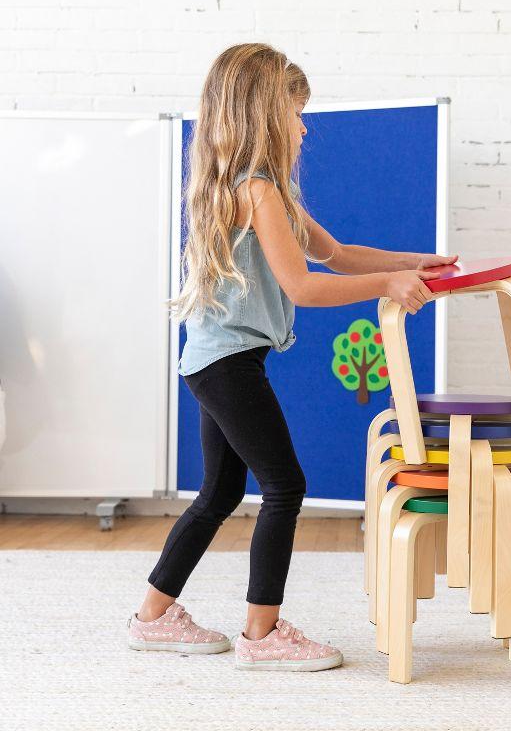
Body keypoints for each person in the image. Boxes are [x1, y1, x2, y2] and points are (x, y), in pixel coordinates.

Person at [127, 42, 457, 671]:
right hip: (227, 362)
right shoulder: (257, 192)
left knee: (220, 493)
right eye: (296, 111)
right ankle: (262, 635)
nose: (305, 126)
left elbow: (335, 252)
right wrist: (387, 287)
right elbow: (303, 287)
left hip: (214, 358)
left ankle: (153, 616)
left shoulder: (254, 187)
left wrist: (413, 263)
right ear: (263, 113)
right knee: (285, 486)